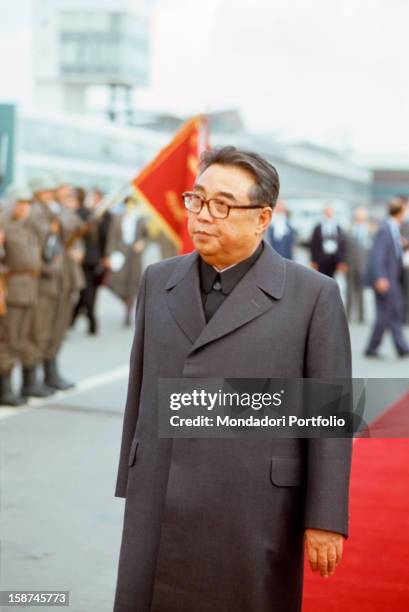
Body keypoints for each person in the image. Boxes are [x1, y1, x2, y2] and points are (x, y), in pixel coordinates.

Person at [113, 146, 352, 612]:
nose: (203, 215)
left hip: (253, 505)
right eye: (197, 199)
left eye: (221, 205)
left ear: (262, 218)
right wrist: (133, 475)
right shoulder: (158, 281)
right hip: (160, 495)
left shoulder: (312, 296)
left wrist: (325, 517)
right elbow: (139, 391)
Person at [0, 185, 51, 404]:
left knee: (22, 338)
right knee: (8, 339)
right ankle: (4, 387)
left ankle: (23, 383)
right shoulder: (4, 228)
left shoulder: (28, 228)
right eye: (20, 203)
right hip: (12, 288)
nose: (24, 208)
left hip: (30, 289)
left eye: (27, 203)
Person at [29, 174, 75, 391]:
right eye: (48, 191)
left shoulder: (53, 211)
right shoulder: (38, 213)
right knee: (40, 329)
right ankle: (36, 378)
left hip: (58, 277)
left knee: (55, 327)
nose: (51, 194)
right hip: (44, 279)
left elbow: (73, 228)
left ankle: (50, 372)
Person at [364, 199, 409, 357]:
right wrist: (380, 277)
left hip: (393, 278)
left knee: (394, 312)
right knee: (384, 315)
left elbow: (391, 251)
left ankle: (402, 347)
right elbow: (378, 255)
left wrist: (403, 245)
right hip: (386, 278)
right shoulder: (385, 229)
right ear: (400, 212)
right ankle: (372, 348)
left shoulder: (393, 228)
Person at [105, 196, 150, 326]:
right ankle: (124, 300)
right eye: (128, 204)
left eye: (132, 204)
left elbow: (147, 237)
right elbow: (112, 237)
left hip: (135, 255)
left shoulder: (141, 219)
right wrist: (109, 254)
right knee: (115, 281)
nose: (130, 207)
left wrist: (142, 243)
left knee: (133, 282)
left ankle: (128, 312)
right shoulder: (118, 218)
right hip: (120, 253)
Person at [345, 206, 372, 323]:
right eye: (358, 215)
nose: (360, 218)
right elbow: (345, 249)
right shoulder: (350, 230)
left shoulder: (370, 232)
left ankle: (361, 316)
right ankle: (348, 315)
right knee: (350, 292)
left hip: (364, 267)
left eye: (362, 216)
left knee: (361, 292)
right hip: (350, 266)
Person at [310, 204, 347, 277]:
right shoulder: (318, 228)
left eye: (330, 212)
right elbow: (313, 245)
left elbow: (342, 245)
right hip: (321, 259)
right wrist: (313, 261)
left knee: (332, 279)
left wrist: (342, 261)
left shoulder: (338, 228)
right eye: (327, 212)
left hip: (334, 259)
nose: (329, 214)